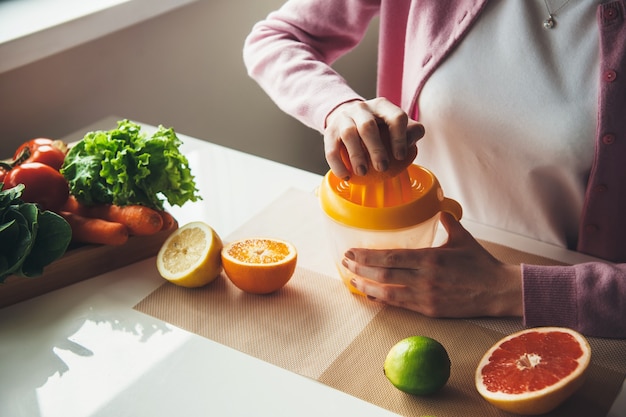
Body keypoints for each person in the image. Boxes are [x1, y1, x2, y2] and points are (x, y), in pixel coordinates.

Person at [243, 0, 626, 338]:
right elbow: (277, 38)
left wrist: (508, 289)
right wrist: (336, 107)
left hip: (562, 309)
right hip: (412, 277)